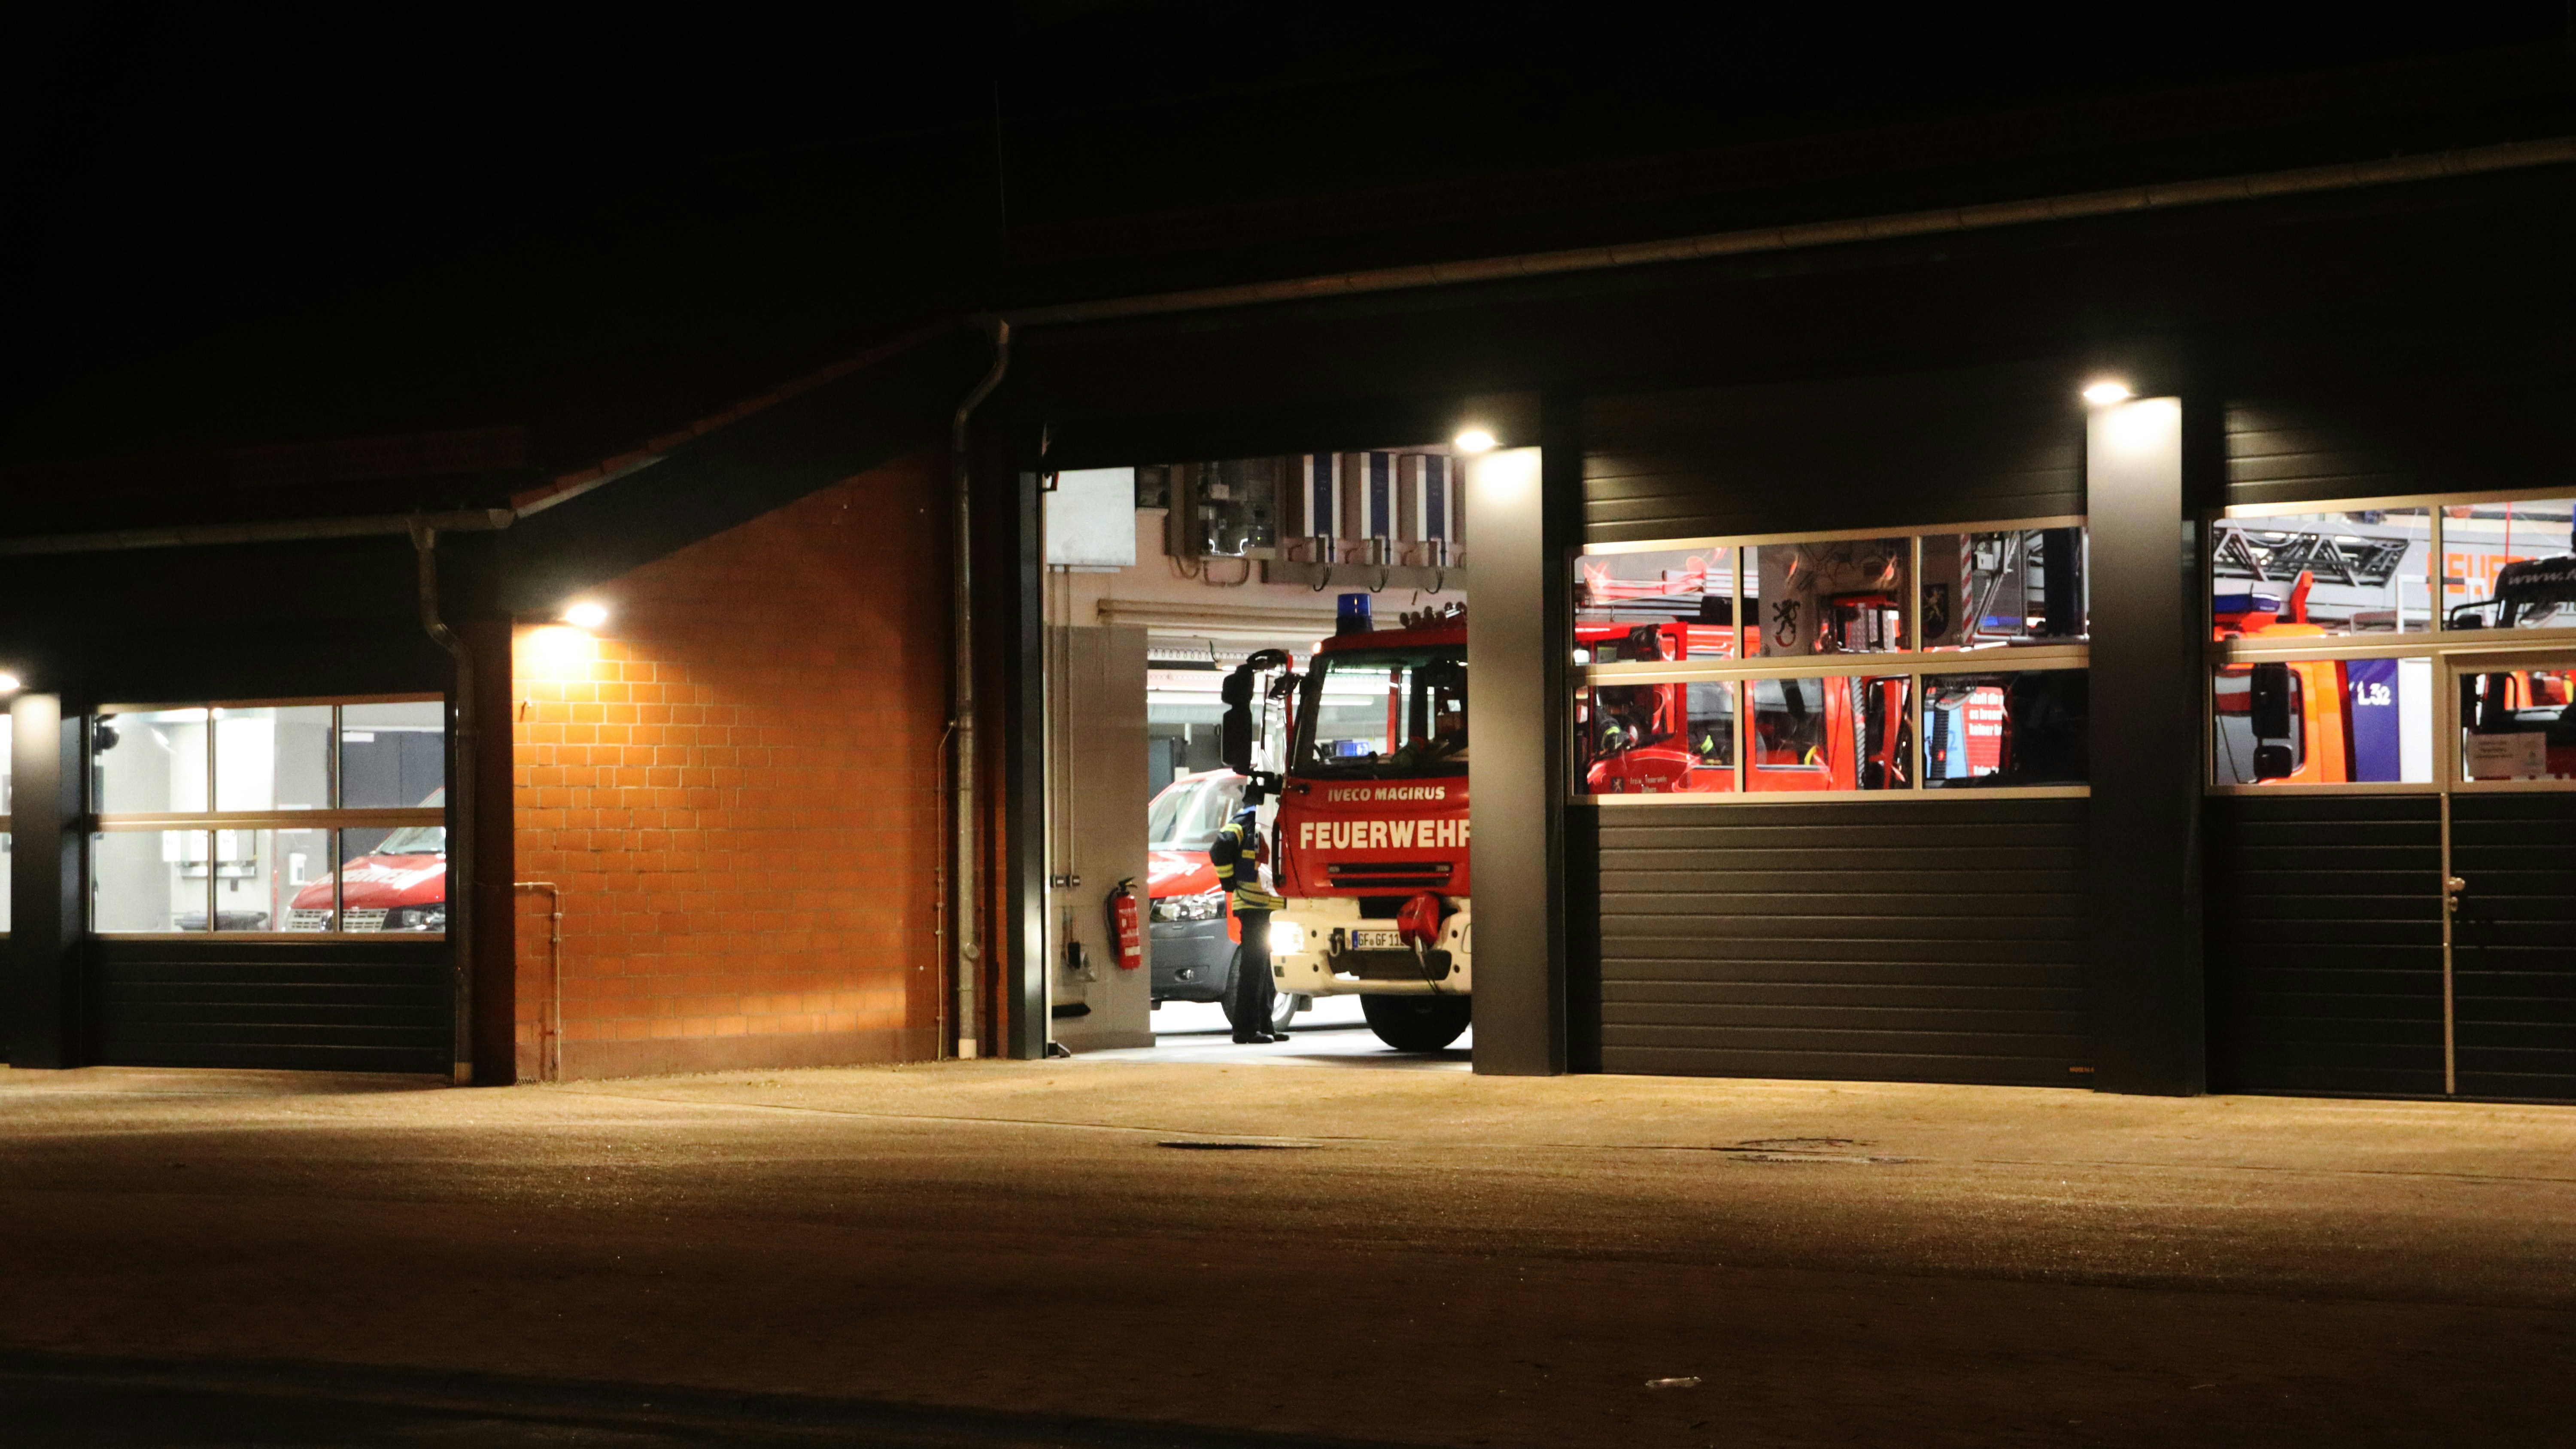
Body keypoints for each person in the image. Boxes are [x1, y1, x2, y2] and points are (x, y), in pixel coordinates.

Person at [1209, 797, 1286, 1044]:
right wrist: (1228, 881)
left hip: (1271, 908)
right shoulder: (1249, 820)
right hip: (1256, 908)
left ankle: (1266, 1025)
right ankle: (1245, 1030)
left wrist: (1229, 881)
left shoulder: (1254, 819)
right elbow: (1220, 846)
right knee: (1254, 968)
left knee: (1267, 970)